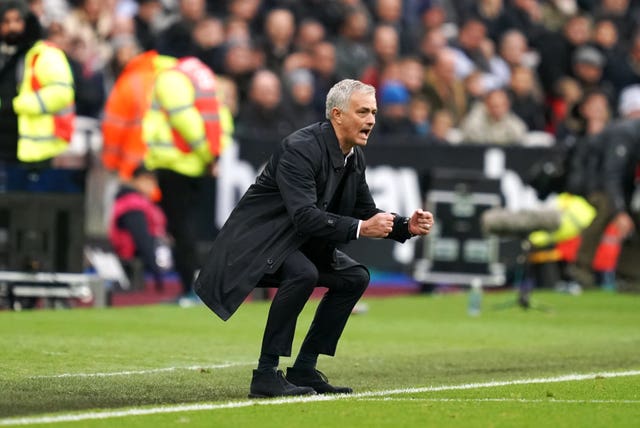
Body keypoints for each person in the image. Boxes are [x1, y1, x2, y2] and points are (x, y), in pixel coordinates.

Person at [195, 79, 434, 398]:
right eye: (362, 111)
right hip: (257, 243)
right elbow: (304, 216)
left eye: (374, 112)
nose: (372, 120)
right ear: (337, 114)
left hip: (294, 241)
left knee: (354, 277)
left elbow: (365, 209)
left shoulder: (353, 155)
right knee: (303, 273)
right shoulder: (300, 148)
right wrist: (362, 229)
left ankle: (304, 367)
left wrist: (405, 226)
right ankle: (265, 374)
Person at [142, 54, 228, 305]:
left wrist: (207, 151)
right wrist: (213, 154)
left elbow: (183, 118)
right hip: (197, 165)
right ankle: (196, 287)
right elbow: (218, 117)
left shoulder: (170, 78)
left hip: (174, 162)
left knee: (180, 229)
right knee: (192, 227)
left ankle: (188, 289)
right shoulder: (201, 77)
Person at [0, 0, 74, 168]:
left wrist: (16, 105)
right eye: (6, 22)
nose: (12, 27)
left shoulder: (46, 54)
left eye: (17, 21)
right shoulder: (3, 55)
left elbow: (62, 93)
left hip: (36, 152)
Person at [108, 165, 171, 291]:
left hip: (142, 263)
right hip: (133, 266)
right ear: (138, 179)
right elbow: (141, 238)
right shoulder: (133, 204)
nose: (153, 185)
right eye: (149, 180)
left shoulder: (141, 201)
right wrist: (156, 271)